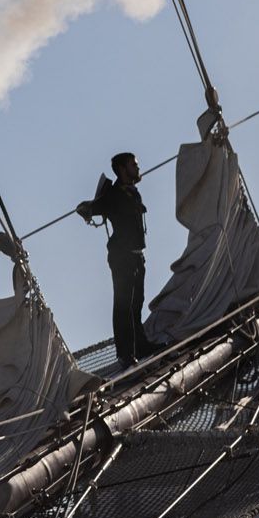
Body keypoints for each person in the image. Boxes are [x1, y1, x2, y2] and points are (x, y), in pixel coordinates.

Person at [77, 153, 151, 368]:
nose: (137, 168)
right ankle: (125, 353)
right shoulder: (113, 195)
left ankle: (140, 345)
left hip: (137, 256)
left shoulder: (133, 193)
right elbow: (87, 206)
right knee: (123, 304)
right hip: (122, 256)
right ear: (121, 168)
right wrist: (87, 211)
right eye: (133, 165)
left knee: (137, 302)